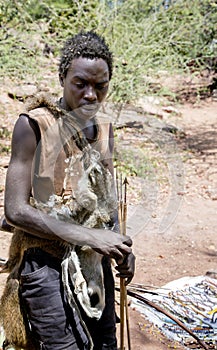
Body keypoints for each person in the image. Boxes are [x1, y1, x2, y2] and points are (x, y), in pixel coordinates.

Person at [2, 31, 135, 350]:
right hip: (45, 263)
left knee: (104, 344)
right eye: (80, 83)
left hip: (94, 265)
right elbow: (15, 211)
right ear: (63, 78)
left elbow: (107, 200)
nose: (91, 94)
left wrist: (121, 245)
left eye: (100, 86)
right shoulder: (34, 125)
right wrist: (90, 236)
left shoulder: (103, 130)